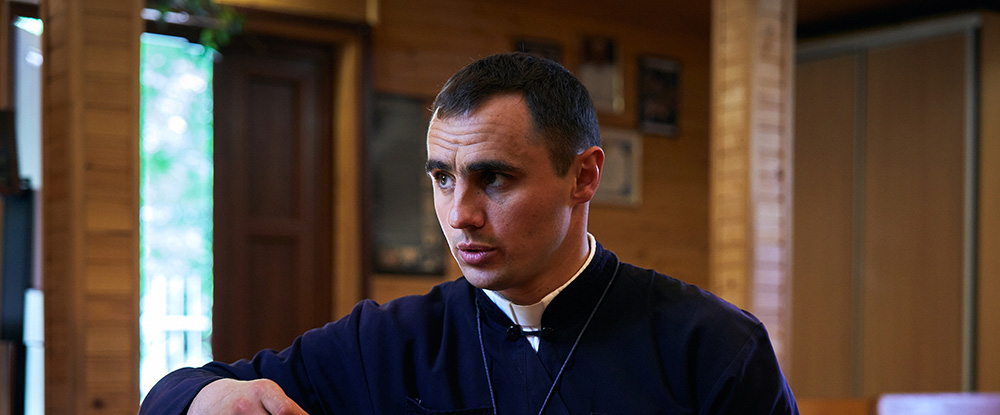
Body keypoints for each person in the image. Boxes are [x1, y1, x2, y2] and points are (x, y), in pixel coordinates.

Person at [140, 52, 799, 415]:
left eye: (494, 178)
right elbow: (174, 393)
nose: (459, 214)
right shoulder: (385, 343)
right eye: (442, 177)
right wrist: (210, 398)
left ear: (583, 176)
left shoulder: (711, 345)